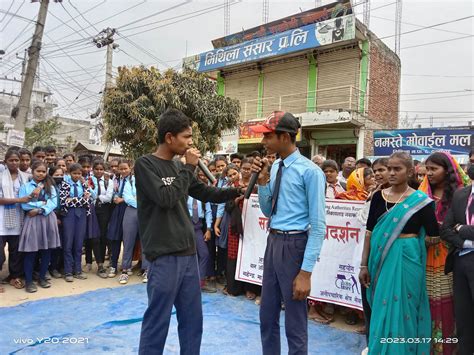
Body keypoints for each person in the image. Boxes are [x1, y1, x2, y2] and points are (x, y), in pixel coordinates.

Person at [136, 108, 243, 354]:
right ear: (170, 137)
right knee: (157, 320)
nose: (191, 142)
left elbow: (205, 192)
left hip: (187, 254)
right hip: (163, 255)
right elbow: (166, 198)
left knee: (193, 320)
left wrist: (235, 191)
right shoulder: (145, 165)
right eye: (186, 137)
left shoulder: (178, 168)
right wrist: (188, 168)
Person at [250, 111, 326, 355]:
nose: (263, 143)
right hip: (273, 242)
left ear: (284, 137)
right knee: (267, 315)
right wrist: (262, 183)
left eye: (267, 137)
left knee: (294, 322)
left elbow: (319, 226)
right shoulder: (274, 168)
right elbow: (267, 210)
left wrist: (305, 273)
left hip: (295, 245)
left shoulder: (311, 172)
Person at [359, 152, 439, 354]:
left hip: (408, 262)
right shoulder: (378, 197)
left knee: (406, 310)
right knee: (381, 308)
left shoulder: (421, 201)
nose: (392, 173)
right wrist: (363, 265)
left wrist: (410, 245)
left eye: (397, 169)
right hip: (380, 263)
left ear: (410, 171)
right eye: (389, 168)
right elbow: (369, 234)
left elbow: (433, 236)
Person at [419, 152, 469, 355]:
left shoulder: (461, 195)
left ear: (446, 170)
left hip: (452, 258)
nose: (428, 173)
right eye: (427, 168)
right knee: (427, 300)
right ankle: (428, 345)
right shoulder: (421, 195)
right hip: (424, 256)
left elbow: (465, 226)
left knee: (451, 303)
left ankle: (449, 346)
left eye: (434, 169)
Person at [440, 162, 474, 355]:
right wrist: (466, 242)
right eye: (472, 160)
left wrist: (462, 229)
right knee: (463, 316)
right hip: (461, 260)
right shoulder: (461, 194)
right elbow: (445, 229)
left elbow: (456, 227)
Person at [19, 160, 61, 293]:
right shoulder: (25, 187)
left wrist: (39, 209)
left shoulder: (50, 186)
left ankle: (42, 277)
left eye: (43, 171)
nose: (41, 174)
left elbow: (53, 202)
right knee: (31, 251)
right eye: (38, 171)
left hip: (47, 219)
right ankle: (29, 281)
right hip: (32, 221)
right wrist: (43, 203)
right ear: (32, 171)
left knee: (47, 250)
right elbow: (25, 205)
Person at [0, 150, 30, 292]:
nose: (14, 163)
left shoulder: (24, 178)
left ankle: (14, 276)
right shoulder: (0, 176)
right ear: (5, 161)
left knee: (16, 252)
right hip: (1, 221)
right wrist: (19, 200)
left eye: (16, 160)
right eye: (11, 160)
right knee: (0, 253)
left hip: (18, 220)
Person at [59, 163, 92, 282]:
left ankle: (78, 270)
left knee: (79, 243)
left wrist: (74, 199)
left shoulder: (84, 184)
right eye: (74, 173)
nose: (77, 176)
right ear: (69, 173)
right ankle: (68, 271)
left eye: (79, 173)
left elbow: (89, 200)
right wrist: (82, 199)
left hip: (82, 215)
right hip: (69, 215)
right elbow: (64, 201)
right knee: (68, 243)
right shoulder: (65, 184)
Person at [91, 160, 113, 279]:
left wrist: (97, 197)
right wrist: (98, 197)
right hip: (91, 210)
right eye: (96, 169)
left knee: (103, 236)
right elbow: (88, 194)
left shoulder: (108, 181)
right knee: (94, 237)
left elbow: (109, 198)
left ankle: (101, 265)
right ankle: (96, 262)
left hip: (103, 210)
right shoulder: (88, 180)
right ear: (92, 169)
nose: (99, 171)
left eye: (101, 169)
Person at [48, 166, 65, 279]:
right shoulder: (48, 187)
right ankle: (50, 268)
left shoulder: (64, 186)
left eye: (61, 175)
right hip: (52, 216)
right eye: (56, 175)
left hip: (64, 217)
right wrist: (55, 216)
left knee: (61, 245)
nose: (59, 177)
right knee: (51, 245)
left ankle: (58, 267)